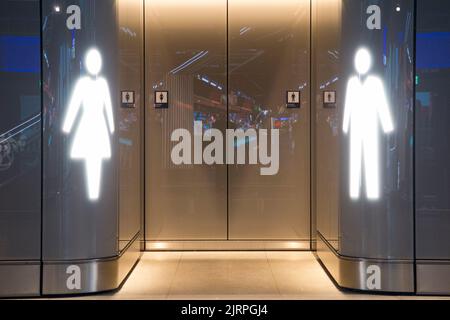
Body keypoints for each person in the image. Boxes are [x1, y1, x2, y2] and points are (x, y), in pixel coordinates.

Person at [63, 48, 114, 200]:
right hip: (90, 124)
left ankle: (93, 194)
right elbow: (74, 106)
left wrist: (112, 127)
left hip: (96, 124)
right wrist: (67, 126)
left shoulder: (102, 84)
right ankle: (90, 194)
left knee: (95, 159)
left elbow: (108, 107)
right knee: (89, 160)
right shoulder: (83, 84)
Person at [343, 48, 394, 200]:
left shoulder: (375, 83)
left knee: (371, 160)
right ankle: (353, 191)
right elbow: (348, 107)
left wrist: (388, 128)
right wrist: (345, 128)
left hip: (371, 128)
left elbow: (382, 106)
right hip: (356, 129)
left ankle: (372, 192)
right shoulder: (352, 83)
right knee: (355, 161)